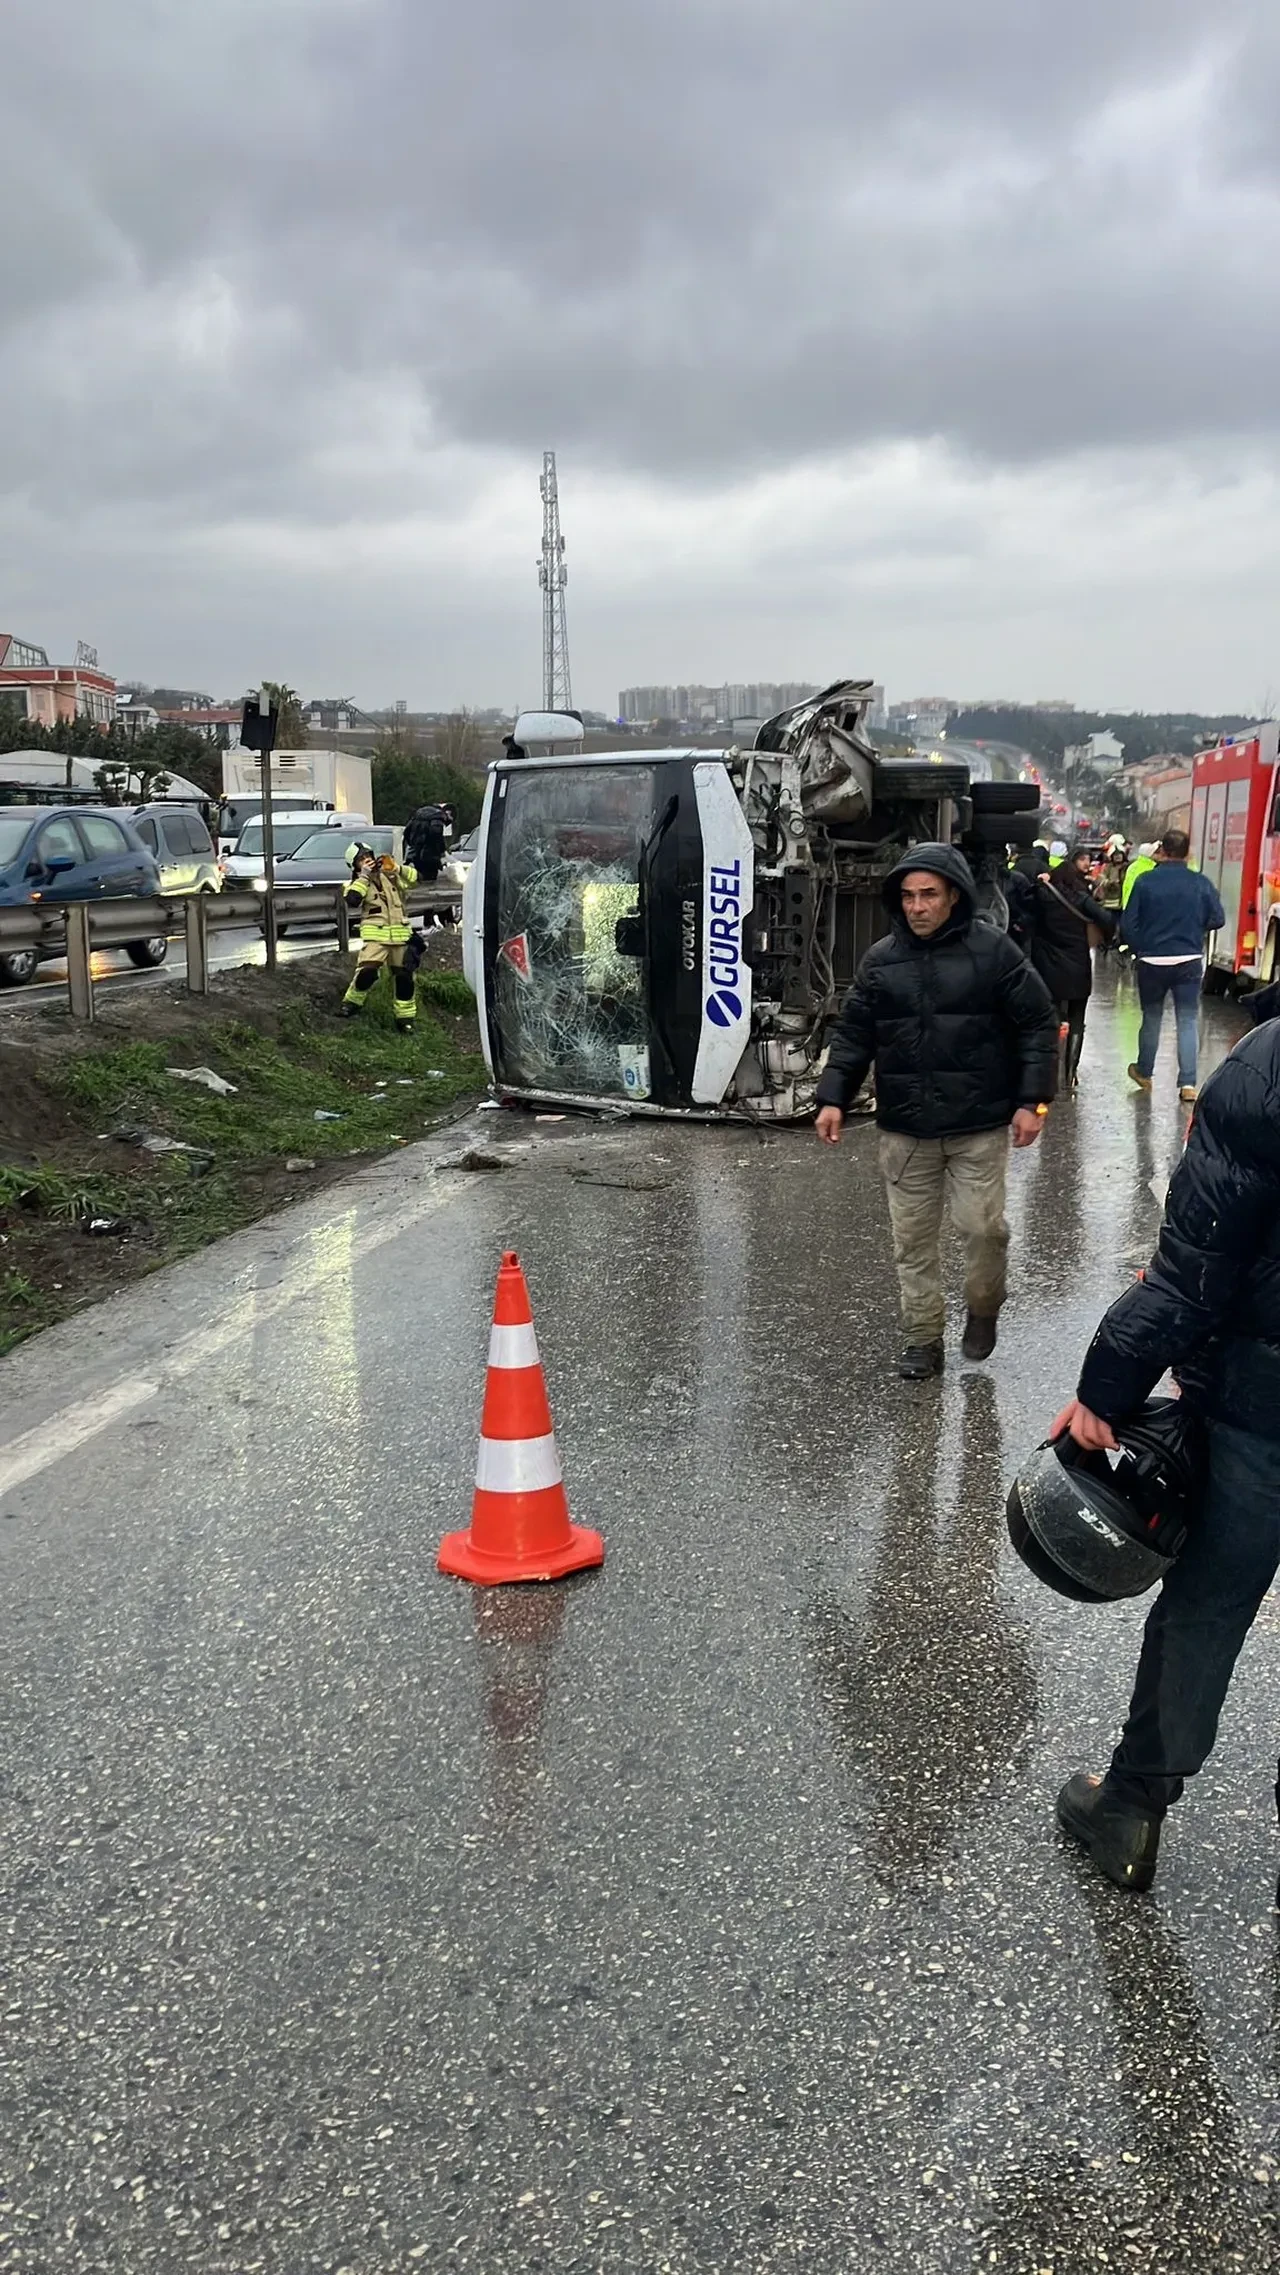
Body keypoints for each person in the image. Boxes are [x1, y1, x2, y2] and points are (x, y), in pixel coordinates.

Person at [1049, 1018, 1280, 1894]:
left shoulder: (1267, 1067)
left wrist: (1106, 1390)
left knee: (1208, 1608)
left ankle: (1132, 1810)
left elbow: (1195, 1268)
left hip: (1261, 1408)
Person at [815, 845, 1058, 1378]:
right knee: (913, 1242)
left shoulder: (994, 953)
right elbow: (855, 1034)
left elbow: (1037, 1023)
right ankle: (923, 1338)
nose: (917, 906)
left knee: (983, 1229)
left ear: (953, 896)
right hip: (906, 1131)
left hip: (978, 1126)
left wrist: (1031, 1102)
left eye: (928, 894)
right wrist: (833, 1096)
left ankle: (983, 1305)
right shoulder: (881, 961)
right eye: (907, 896)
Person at [1121, 829, 1225, 1102]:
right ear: (1187, 853)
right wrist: (1194, 929)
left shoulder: (1145, 882)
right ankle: (1188, 1084)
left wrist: (1140, 947)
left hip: (1153, 960)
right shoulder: (1200, 882)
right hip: (1189, 959)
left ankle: (1144, 1071)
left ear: (1162, 851)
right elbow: (1218, 918)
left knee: (1152, 1017)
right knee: (1188, 1019)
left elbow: (1127, 924)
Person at [1026, 843, 1117, 1094]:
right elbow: (1107, 919)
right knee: (1077, 1019)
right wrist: (1105, 938)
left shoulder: (1042, 896)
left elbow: (1023, 916)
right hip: (1077, 966)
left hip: (1047, 968)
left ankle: (1050, 1069)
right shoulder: (1080, 898)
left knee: (1052, 1018)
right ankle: (1070, 1074)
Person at [340, 843, 420, 1029]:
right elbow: (352, 900)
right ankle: (350, 1004)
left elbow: (416, 880)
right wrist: (364, 877)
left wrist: (397, 868)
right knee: (367, 973)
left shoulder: (390, 876)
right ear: (355, 866)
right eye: (361, 859)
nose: (367, 859)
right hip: (376, 939)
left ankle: (405, 1020)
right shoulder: (356, 883)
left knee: (405, 978)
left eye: (368, 855)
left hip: (400, 937)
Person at [403, 802, 446, 880]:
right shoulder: (437, 816)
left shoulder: (417, 815)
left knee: (418, 878)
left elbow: (406, 831)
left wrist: (412, 843)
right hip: (431, 854)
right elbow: (436, 834)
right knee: (430, 879)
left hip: (415, 853)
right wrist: (441, 849)